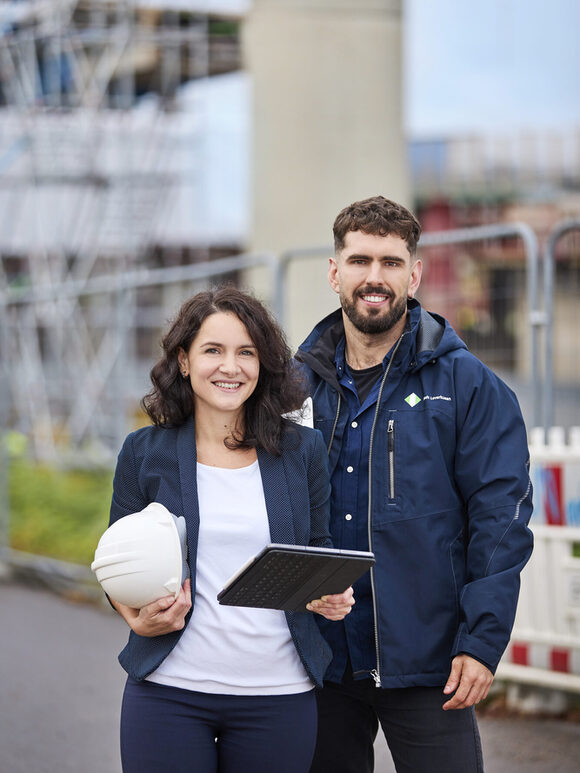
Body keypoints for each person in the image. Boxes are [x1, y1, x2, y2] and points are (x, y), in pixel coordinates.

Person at [294, 196, 534, 773]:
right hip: (320, 657)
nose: (373, 277)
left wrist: (481, 642)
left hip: (430, 659)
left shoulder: (469, 386)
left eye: (390, 262)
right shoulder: (296, 385)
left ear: (414, 273)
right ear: (334, 273)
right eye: (358, 261)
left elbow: (500, 522)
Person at [106, 286, 354, 773]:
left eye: (246, 352)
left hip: (277, 695)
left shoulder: (302, 450)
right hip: (169, 692)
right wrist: (133, 617)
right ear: (183, 360)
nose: (231, 366)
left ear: (263, 365)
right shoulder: (144, 451)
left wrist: (329, 593)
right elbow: (115, 560)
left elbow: (318, 548)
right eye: (213, 350)